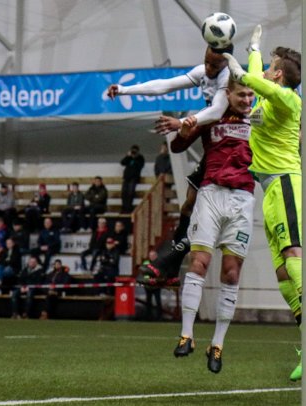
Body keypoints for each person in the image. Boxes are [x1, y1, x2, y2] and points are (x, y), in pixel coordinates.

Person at [223, 28, 306, 380]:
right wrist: (254, 49)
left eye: (271, 66)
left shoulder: (290, 100)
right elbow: (257, 77)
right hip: (270, 188)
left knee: (294, 257)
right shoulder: (268, 94)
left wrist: (239, 70)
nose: (265, 70)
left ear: (278, 74)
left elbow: (258, 82)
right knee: (281, 272)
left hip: (287, 183)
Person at [109, 45, 231, 283]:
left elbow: (217, 111)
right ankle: (174, 268)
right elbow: (165, 85)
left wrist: (182, 122)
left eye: (213, 65)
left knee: (204, 217)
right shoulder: (203, 72)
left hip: (230, 151)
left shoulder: (229, 78)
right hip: (213, 147)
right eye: (206, 62)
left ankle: (171, 261)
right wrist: (124, 89)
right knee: (187, 206)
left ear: (225, 64)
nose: (208, 68)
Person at [169, 78, 256, 374]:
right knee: (199, 262)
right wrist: (182, 131)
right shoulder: (211, 116)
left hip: (243, 199)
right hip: (211, 194)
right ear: (227, 95)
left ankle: (217, 344)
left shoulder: (260, 118)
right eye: (241, 95)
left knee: (231, 272)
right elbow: (178, 145)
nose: (246, 100)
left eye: (250, 95)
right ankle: (187, 334)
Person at [120, 145, 145, 213]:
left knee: (131, 193)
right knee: (124, 193)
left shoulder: (140, 158)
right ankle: (124, 207)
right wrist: (128, 156)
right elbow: (122, 163)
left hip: (134, 178)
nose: (133, 152)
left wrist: (135, 158)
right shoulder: (129, 157)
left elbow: (141, 165)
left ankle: (129, 208)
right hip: (126, 178)